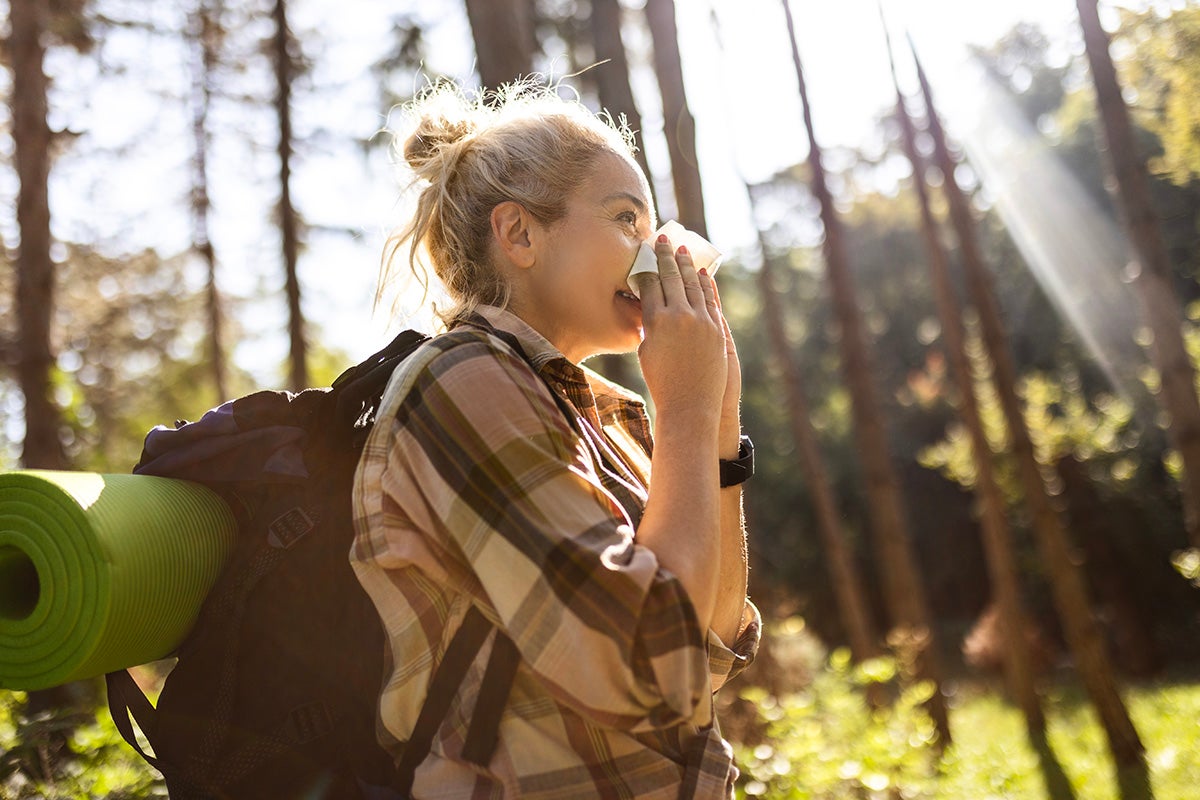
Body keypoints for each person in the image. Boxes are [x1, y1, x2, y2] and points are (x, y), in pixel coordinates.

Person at [350, 79, 760, 799]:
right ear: (520, 235)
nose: (652, 252)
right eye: (626, 218)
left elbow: (709, 651)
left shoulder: (604, 411)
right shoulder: (461, 381)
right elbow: (652, 672)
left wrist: (716, 416)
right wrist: (688, 412)